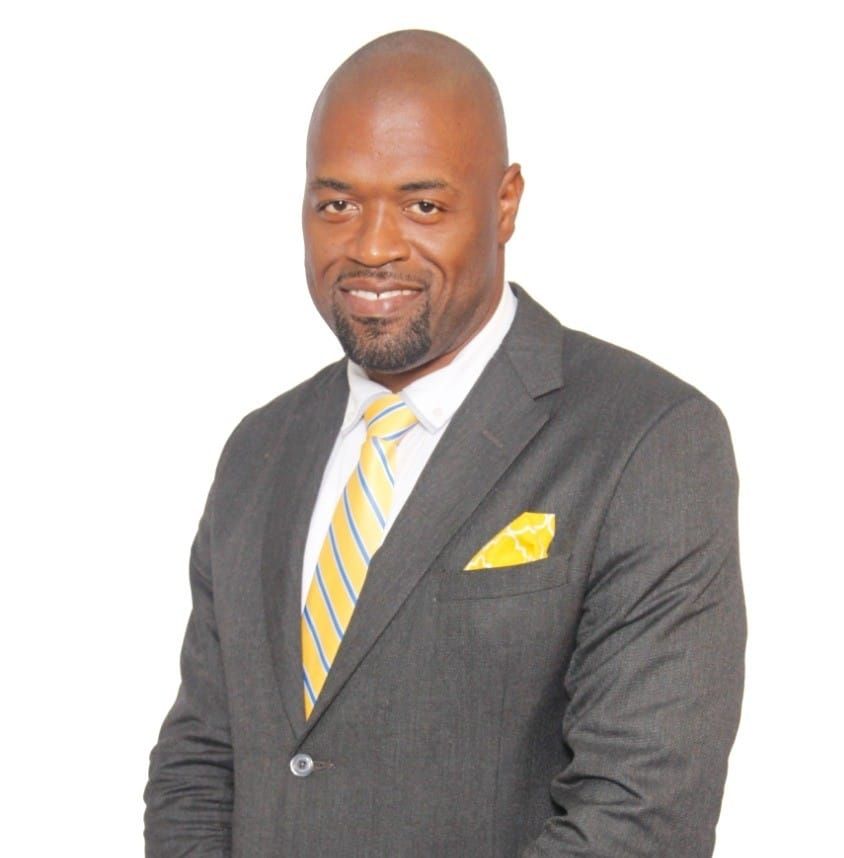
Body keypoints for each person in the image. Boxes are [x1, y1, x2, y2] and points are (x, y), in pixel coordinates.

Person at [144, 29, 746, 858]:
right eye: (337, 204)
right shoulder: (259, 450)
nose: (372, 246)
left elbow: (640, 818)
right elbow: (200, 764)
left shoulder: (646, 440)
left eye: (422, 206)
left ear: (505, 203)